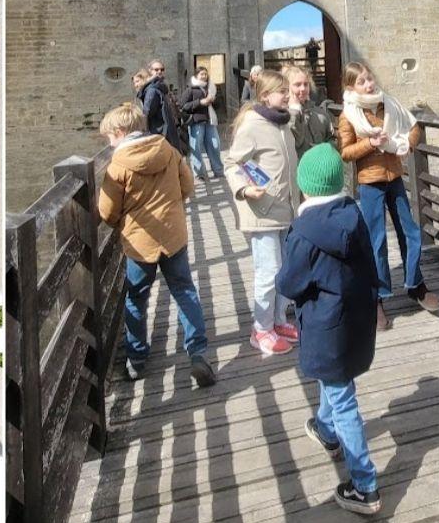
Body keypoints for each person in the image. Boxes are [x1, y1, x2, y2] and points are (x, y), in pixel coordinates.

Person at [278, 143, 382, 516]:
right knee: (337, 382)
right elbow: (371, 266)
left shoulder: (304, 231)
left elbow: (289, 284)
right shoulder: (352, 214)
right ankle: (325, 428)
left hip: (327, 325)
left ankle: (365, 485)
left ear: (305, 187)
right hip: (356, 318)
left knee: (344, 399)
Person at [95, 101, 216, 388]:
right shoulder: (168, 150)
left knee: (136, 298)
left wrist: (122, 223)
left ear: (121, 131)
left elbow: (106, 210)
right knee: (185, 291)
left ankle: (136, 360)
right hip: (173, 235)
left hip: (139, 242)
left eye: (110, 136)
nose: (109, 142)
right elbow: (188, 186)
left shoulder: (118, 166)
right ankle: (198, 354)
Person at [338, 61, 439, 330]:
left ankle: (415, 284)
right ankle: (378, 297)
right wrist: (370, 143)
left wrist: (407, 143)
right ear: (351, 87)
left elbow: (414, 126)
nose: (368, 84)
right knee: (376, 241)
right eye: (361, 82)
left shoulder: (389, 104)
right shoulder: (349, 114)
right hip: (370, 182)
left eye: (369, 78)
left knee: (410, 232)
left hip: (394, 177)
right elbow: (345, 152)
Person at [223, 70, 303, 356]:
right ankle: (261, 329)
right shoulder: (253, 126)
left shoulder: (283, 123)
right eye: (281, 91)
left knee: (285, 271)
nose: (287, 94)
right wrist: (244, 189)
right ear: (265, 96)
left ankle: (278, 321)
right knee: (268, 272)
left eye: (286, 90)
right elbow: (233, 163)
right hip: (263, 211)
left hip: (286, 209)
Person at [181, 66, 224, 181]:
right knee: (196, 148)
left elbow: (219, 105)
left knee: (215, 145)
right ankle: (199, 174)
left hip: (210, 121)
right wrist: (200, 102)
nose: (204, 76)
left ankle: (218, 170)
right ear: (196, 76)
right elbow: (184, 106)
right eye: (202, 74)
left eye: (205, 74)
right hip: (196, 122)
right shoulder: (191, 89)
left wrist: (213, 101)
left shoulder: (211, 88)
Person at [284, 64, 337, 158]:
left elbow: (332, 139)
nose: (303, 88)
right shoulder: (283, 115)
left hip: (319, 166)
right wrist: (294, 110)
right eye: (297, 85)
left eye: (306, 84)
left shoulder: (321, 114)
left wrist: (324, 148)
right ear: (287, 87)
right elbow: (293, 141)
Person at [135, 65, 187, 155]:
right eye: (134, 82)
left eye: (137, 81)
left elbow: (147, 113)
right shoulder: (156, 89)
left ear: (144, 79)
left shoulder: (151, 91)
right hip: (164, 131)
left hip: (160, 132)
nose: (136, 85)